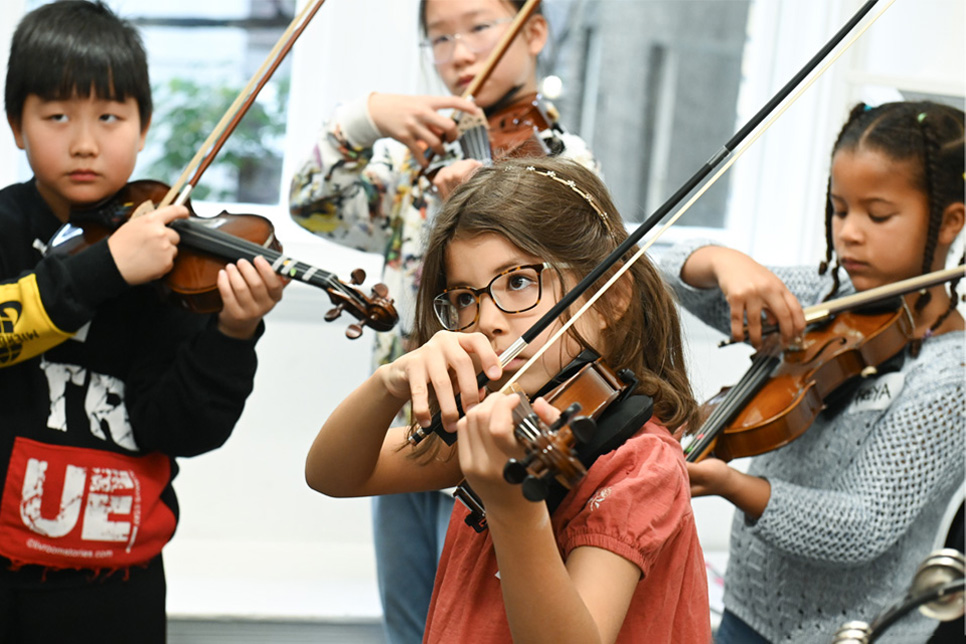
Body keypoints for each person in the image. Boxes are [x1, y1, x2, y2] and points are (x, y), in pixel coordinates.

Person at [288, 2, 597, 641]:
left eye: (481, 26)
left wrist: (491, 197)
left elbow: (577, 276)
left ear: (533, 30)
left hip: (496, 432)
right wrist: (367, 116)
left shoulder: (562, 160)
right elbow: (313, 204)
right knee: (411, 623)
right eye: (440, 38)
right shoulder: (416, 166)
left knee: (476, 621)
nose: (459, 52)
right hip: (407, 425)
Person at [305, 156, 711, 643]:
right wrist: (388, 382)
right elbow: (331, 474)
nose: (488, 320)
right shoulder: (495, 426)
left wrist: (514, 509)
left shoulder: (640, 465)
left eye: (517, 281)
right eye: (464, 297)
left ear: (610, 298)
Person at [0, 2, 284, 641]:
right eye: (56, 116)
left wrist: (235, 333)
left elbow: (180, 428)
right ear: (17, 125)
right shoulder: (7, 230)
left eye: (109, 117)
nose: (84, 141)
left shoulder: (172, 256)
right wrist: (106, 270)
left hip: (118, 580)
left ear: (143, 124)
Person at [661, 101, 965, 643]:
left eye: (877, 215)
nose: (848, 233)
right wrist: (725, 262)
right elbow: (664, 279)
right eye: (838, 209)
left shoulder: (953, 373)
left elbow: (863, 525)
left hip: (849, 633)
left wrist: (735, 485)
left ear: (950, 222)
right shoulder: (829, 297)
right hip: (747, 609)